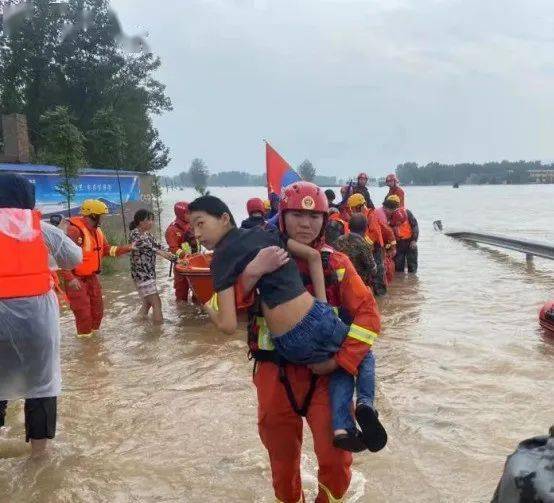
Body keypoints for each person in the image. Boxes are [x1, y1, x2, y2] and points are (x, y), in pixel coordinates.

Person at [235, 182, 386, 502]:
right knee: (282, 459)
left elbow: (368, 319)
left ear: (324, 220)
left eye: (313, 216)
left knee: (335, 457)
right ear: (283, 216)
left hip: (325, 377)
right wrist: (250, 272)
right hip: (275, 376)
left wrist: (340, 362)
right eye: (298, 215)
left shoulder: (337, 264)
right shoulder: (260, 260)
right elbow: (221, 308)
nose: (305, 223)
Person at [0, 174, 82, 457]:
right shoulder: (42, 230)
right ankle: (39, 455)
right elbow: (75, 259)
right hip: (37, 322)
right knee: (42, 384)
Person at [61, 199, 132, 338]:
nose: (103, 219)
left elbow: (106, 250)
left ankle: (95, 345)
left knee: (98, 312)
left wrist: (127, 248)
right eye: (102, 216)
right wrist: (70, 278)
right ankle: (86, 347)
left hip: (92, 278)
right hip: (77, 280)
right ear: (93, 216)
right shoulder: (74, 230)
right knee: (84, 314)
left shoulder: (97, 231)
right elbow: (63, 257)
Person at [129, 209, 174, 323]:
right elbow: (146, 247)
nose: (151, 222)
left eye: (152, 219)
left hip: (149, 274)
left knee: (148, 303)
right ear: (140, 221)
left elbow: (160, 246)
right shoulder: (135, 233)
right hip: (141, 274)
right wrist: (162, 253)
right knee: (156, 302)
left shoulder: (148, 235)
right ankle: (159, 331)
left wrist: (176, 255)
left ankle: (137, 322)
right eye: (148, 219)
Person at [347, 193, 396, 296]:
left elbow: (374, 234)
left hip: (375, 249)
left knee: (377, 275)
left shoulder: (371, 216)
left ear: (359, 207)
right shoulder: (364, 216)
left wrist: (361, 246)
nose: (351, 212)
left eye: (353, 209)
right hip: (367, 249)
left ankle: (381, 299)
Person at [165, 202, 198, 302]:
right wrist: (185, 255)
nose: (190, 215)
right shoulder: (172, 230)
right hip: (181, 265)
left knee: (197, 292)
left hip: (194, 263)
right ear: (180, 213)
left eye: (190, 213)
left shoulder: (192, 226)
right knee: (181, 293)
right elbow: (173, 248)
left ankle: (196, 312)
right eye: (187, 213)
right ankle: (182, 314)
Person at [333, 214, 377, 287]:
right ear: (365, 228)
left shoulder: (339, 239)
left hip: (340, 282)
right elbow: (373, 270)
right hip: (357, 284)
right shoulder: (364, 244)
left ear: (349, 226)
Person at [383, 196, 419, 273]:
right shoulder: (386, 216)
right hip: (398, 244)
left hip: (410, 242)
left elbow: (415, 226)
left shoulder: (407, 213)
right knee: (398, 268)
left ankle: (411, 283)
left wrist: (414, 240)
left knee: (412, 268)